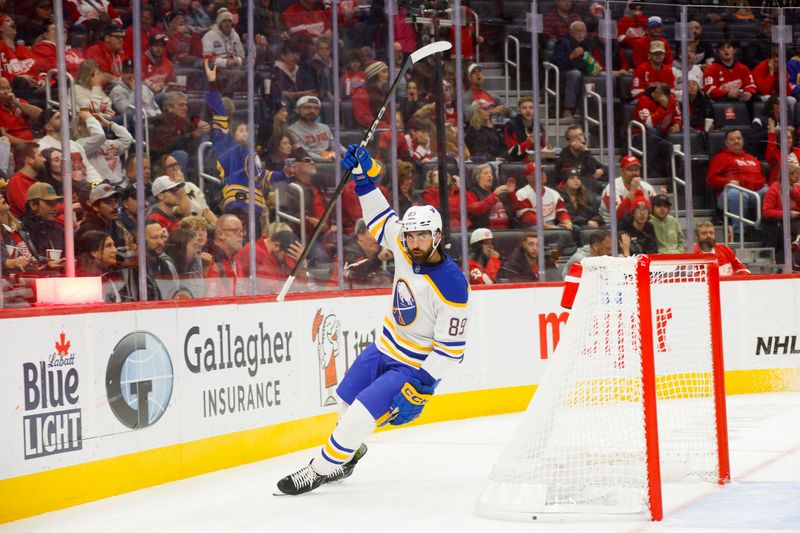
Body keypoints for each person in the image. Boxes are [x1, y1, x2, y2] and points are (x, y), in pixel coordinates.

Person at [276, 144, 469, 495]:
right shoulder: (404, 246)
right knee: (345, 401)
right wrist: (365, 177)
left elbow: (452, 349)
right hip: (382, 347)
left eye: (421, 235)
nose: (413, 241)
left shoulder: (453, 284)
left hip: (409, 366)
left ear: (437, 236)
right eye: (410, 235)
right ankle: (348, 457)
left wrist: (422, 385)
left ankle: (318, 470)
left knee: (359, 416)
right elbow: (381, 216)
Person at [706, 129, 766, 236]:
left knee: (769, 192)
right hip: (729, 193)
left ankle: (762, 230)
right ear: (726, 143)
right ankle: (739, 232)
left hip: (754, 192)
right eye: (732, 139)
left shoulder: (751, 158)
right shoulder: (720, 158)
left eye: (739, 138)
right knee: (737, 194)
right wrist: (728, 181)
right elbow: (711, 180)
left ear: (743, 140)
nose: (736, 141)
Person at [552, 21, 599, 118]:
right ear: (571, 32)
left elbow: (590, 64)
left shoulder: (586, 44)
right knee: (575, 74)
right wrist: (572, 56)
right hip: (563, 73)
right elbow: (557, 64)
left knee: (600, 76)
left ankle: (585, 109)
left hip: (581, 72)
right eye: (577, 31)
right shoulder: (563, 42)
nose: (580, 33)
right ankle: (568, 109)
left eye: (583, 31)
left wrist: (594, 67)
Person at [634, 82, 681, 178]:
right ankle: (649, 169)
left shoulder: (671, 100)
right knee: (653, 132)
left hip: (664, 134)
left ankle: (674, 173)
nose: (654, 94)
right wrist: (663, 108)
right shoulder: (644, 101)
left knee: (683, 132)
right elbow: (648, 124)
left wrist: (677, 124)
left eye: (659, 93)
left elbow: (678, 115)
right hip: (641, 135)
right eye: (656, 92)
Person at [77, 182, 136, 256]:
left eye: (116, 201)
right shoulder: (89, 230)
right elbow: (98, 261)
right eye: (108, 202)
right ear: (96, 207)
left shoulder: (116, 223)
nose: (115, 206)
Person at [512, 162, 573, 232]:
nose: (543, 174)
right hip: (532, 226)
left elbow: (561, 212)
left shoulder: (554, 193)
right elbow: (528, 218)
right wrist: (550, 227)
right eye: (538, 173)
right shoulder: (522, 194)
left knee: (574, 228)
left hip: (551, 224)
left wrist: (568, 223)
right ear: (529, 177)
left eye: (543, 172)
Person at [599, 155, 657, 224]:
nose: (634, 173)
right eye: (630, 170)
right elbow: (619, 216)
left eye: (636, 170)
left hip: (640, 224)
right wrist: (632, 191)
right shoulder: (612, 188)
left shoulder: (647, 188)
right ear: (622, 171)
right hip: (613, 226)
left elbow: (655, 211)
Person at [19, 182, 66, 266]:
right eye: (49, 203)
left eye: (55, 203)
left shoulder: (58, 230)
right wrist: (47, 265)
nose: (55, 208)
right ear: (33, 205)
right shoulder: (20, 229)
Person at [761, 162, 800, 262]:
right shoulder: (773, 189)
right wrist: (787, 214)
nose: (798, 176)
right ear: (788, 175)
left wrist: (793, 192)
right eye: (797, 174)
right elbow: (766, 212)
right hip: (778, 222)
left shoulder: (797, 188)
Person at [554, 124, 606, 194]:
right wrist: (586, 151)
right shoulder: (564, 157)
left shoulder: (584, 153)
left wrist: (601, 170)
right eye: (575, 137)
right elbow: (579, 174)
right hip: (571, 191)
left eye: (580, 135)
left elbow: (603, 168)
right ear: (569, 142)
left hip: (589, 187)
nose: (579, 138)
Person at [288, 95, 342, 162]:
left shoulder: (325, 128)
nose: (312, 110)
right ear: (297, 110)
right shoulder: (291, 131)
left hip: (330, 160)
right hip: (310, 163)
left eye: (316, 108)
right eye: (307, 107)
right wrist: (330, 158)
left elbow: (335, 145)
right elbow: (305, 153)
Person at [74, 229, 123, 302]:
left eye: (113, 245)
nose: (115, 250)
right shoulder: (89, 279)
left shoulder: (106, 273)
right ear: (94, 252)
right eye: (109, 246)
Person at [343, 219, 393, 289]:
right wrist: (379, 258)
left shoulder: (378, 252)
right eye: (372, 233)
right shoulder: (349, 251)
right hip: (337, 294)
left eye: (379, 234)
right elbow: (359, 270)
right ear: (360, 235)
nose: (377, 238)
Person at [206, 213, 246, 297]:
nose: (241, 235)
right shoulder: (209, 262)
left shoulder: (236, 264)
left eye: (242, 231)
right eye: (236, 231)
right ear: (221, 234)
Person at [498, 231, 563, 282]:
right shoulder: (513, 265)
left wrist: (555, 253)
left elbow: (557, 255)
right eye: (531, 244)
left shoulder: (545, 258)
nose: (535, 248)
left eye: (538, 245)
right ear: (524, 245)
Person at [465, 164, 514, 230]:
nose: (490, 175)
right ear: (477, 177)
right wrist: (493, 196)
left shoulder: (497, 191)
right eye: (486, 173)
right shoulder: (470, 192)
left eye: (491, 173)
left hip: (507, 229)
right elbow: (475, 209)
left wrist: (511, 193)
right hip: (485, 231)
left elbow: (514, 210)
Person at [143, 218, 179, 300]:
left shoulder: (165, 265)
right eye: (155, 237)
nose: (160, 242)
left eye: (162, 237)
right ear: (141, 239)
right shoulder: (135, 268)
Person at [503, 96, 547, 162]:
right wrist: (529, 142)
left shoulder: (538, 125)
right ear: (519, 110)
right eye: (524, 108)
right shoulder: (511, 126)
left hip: (535, 160)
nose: (528, 110)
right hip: (517, 162)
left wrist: (547, 147)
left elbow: (543, 147)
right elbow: (511, 152)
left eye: (531, 108)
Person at [165, 226, 205, 298]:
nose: (197, 251)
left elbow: (198, 294)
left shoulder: (192, 262)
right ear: (181, 247)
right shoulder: (166, 266)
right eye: (194, 246)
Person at [6, 142, 44, 218]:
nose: (44, 159)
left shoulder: (35, 181)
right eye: (40, 156)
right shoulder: (16, 181)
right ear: (29, 160)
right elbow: (30, 210)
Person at [0, 77, 42, 145]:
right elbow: (4, 136)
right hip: (15, 145)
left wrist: (16, 103)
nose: (7, 92)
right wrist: (28, 143)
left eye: (8, 88)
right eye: (2, 89)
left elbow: (40, 115)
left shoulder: (19, 102)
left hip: (33, 138)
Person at [352, 60, 388, 129]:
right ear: (374, 75)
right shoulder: (360, 92)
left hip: (383, 130)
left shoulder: (383, 93)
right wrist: (385, 126)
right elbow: (364, 118)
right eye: (384, 72)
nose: (387, 74)